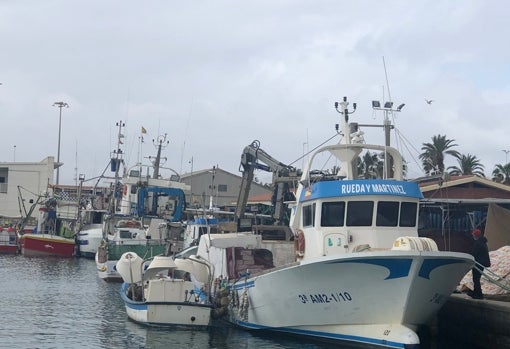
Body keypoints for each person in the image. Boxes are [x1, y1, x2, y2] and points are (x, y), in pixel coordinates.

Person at [468, 228, 490, 299]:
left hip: (478, 263)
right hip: (482, 263)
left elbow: (474, 254)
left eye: (473, 235)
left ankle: (478, 294)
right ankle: (476, 292)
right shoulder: (483, 242)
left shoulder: (478, 243)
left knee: (476, 279)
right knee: (477, 278)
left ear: (475, 235)